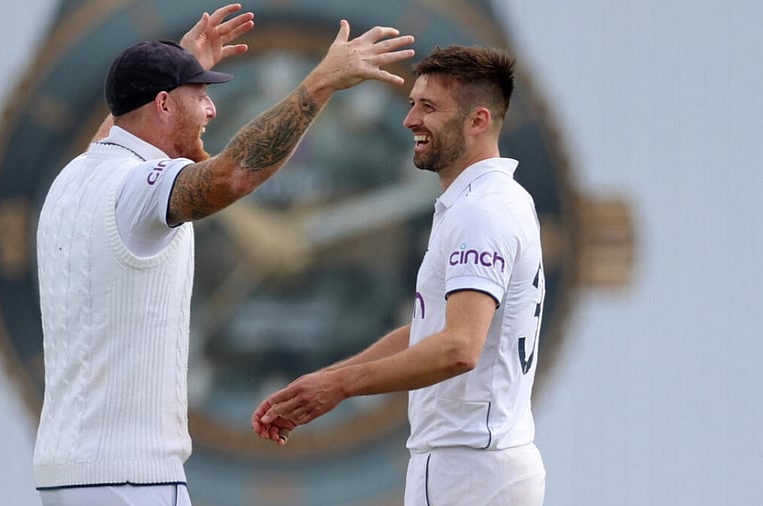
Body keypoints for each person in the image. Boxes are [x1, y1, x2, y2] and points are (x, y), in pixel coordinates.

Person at [32, 2, 415, 505]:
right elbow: (233, 174)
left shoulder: (74, 178)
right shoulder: (140, 189)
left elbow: (121, 130)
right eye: (200, 95)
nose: (212, 110)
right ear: (165, 105)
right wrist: (319, 83)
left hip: (66, 471)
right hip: (130, 479)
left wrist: (173, 62)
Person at [252, 45, 546, 506]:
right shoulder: (485, 202)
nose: (410, 120)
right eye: (412, 104)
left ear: (478, 121)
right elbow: (433, 331)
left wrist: (342, 385)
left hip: (468, 466)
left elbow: (458, 348)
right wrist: (328, 380)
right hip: (472, 461)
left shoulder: (482, 212)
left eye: (428, 107)